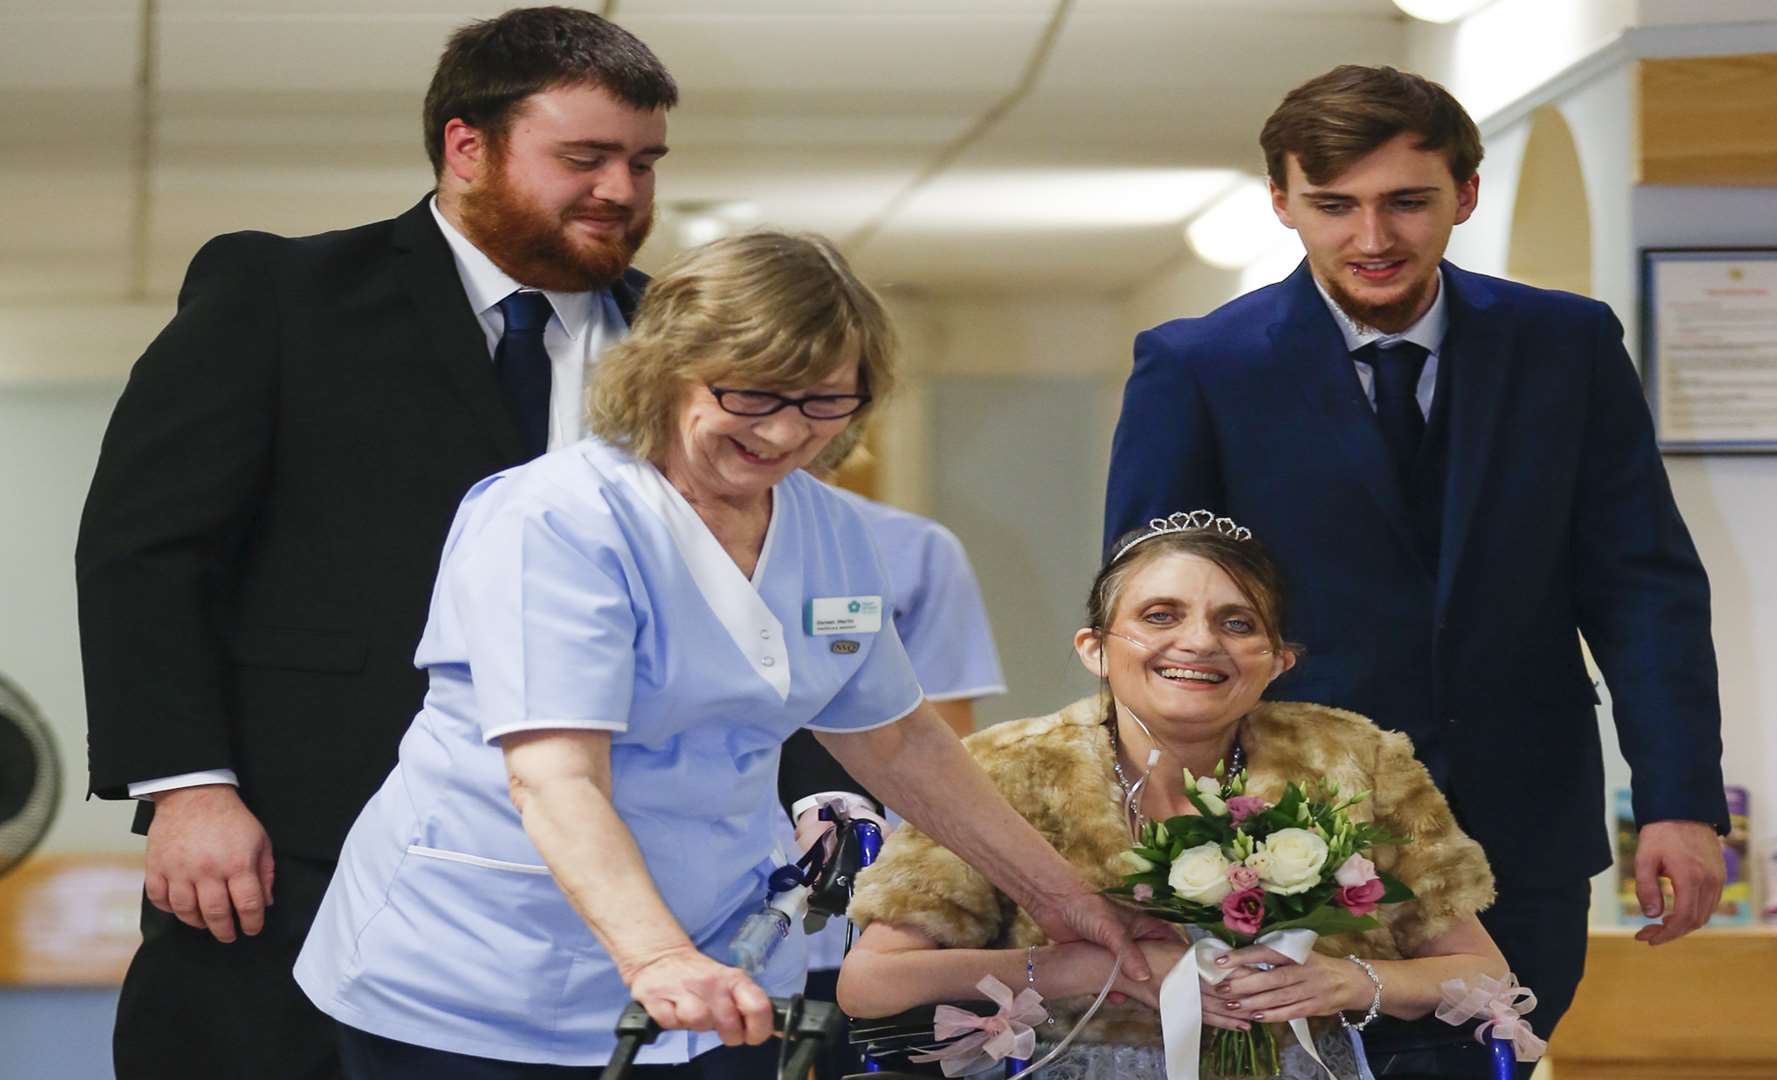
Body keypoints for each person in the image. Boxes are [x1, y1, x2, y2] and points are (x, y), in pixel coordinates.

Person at [293, 231, 1162, 1079]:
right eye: (755, 396)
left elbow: (898, 741)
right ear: (668, 369)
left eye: (827, 402)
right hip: (488, 960)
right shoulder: (557, 519)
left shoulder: (829, 530)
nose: (787, 435)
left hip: (720, 949)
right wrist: (657, 956)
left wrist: (1069, 904)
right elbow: (555, 775)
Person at [74, 9, 675, 1077]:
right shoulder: (283, 297)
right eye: (583, 158)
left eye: (643, 162)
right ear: (466, 145)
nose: (621, 192)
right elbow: (146, 552)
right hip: (297, 838)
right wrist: (187, 787)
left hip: (596, 865)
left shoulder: (680, 343)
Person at [1104, 64, 1729, 1073]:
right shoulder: (1200, 367)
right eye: (1334, 205)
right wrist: (1160, 820)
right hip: (1281, 831)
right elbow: (1153, 623)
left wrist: (1681, 799)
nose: (1373, 238)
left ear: (1465, 196)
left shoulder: (1565, 345)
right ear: (1282, 203)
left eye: (1407, 202)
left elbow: (1644, 586)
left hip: (1520, 827)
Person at [839, 517, 1508, 1080]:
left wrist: (1352, 982)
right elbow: (869, 985)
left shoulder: (1353, 759)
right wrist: (1085, 969)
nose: (1199, 642)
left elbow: (1484, 973)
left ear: (1280, 661)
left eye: (1237, 622)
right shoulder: (1006, 767)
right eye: (1160, 616)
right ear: (1095, 649)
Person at [782, 443, 1009, 1080]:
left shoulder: (912, 549)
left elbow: (944, 747)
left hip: (867, 915)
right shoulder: (657, 536)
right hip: (710, 914)